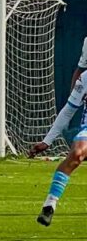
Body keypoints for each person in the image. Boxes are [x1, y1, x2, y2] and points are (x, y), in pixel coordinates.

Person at [28, 35, 87, 226]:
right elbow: (69, 109)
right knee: (77, 152)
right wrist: (47, 140)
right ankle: (49, 206)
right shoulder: (85, 78)